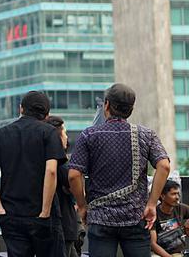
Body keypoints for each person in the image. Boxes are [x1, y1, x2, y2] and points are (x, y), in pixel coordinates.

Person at [68, 83, 170, 257]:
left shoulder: (89, 135)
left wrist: (83, 206)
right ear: (131, 109)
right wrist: (152, 204)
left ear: (106, 104)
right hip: (135, 217)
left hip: (101, 218)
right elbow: (164, 165)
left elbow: (73, 175)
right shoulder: (146, 134)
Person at [0, 91, 66, 257]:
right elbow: (51, 171)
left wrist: (0, 208)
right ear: (47, 115)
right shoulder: (48, 133)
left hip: (12, 215)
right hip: (43, 216)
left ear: (21, 109)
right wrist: (45, 212)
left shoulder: (2, 134)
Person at [46, 115, 80, 257]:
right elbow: (74, 185)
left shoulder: (45, 161)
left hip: (61, 227)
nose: (67, 137)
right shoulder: (61, 165)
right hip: (64, 226)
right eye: (65, 133)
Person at [150, 180, 189, 257]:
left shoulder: (181, 208)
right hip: (159, 253)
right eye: (173, 194)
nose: (177, 197)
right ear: (163, 196)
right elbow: (152, 244)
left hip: (178, 252)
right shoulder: (154, 214)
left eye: (178, 194)